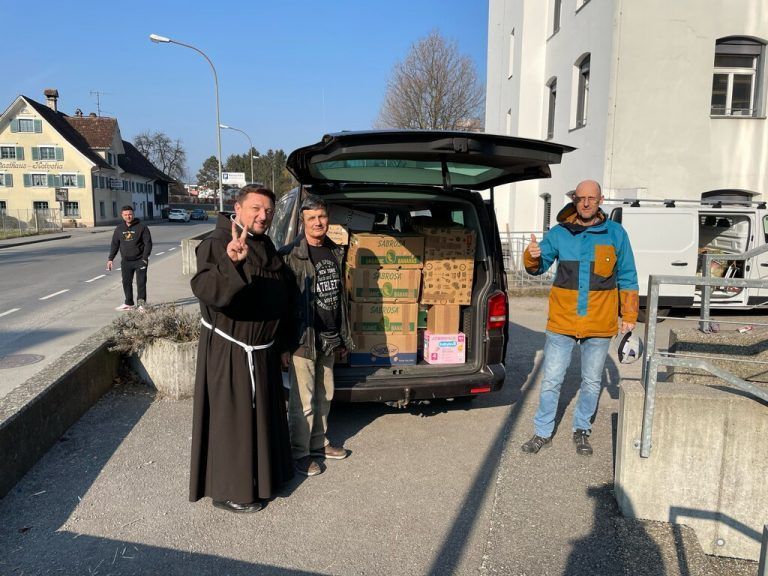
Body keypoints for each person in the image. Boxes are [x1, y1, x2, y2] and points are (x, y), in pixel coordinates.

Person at [189, 186, 294, 513]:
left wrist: (284, 344)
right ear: (238, 208)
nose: (263, 215)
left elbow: (282, 296)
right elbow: (207, 290)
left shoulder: (266, 244)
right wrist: (230, 264)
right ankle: (230, 491)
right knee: (234, 422)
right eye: (256, 208)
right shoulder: (218, 244)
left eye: (269, 211)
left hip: (263, 349)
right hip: (233, 351)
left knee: (261, 417)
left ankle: (263, 479)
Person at [521, 180, 638, 456]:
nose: (586, 203)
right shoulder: (560, 233)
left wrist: (629, 314)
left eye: (592, 198)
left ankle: (581, 428)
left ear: (601, 200)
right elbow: (538, 268)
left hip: (599, 324)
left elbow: (628, 276)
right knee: (551, 380)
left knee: (591, 382)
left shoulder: (616, 234)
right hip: (562, 322)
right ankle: (542, 431)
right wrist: (532, 256)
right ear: (574, 199)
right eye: (581, 198)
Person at [279, 195, 354, 477]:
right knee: (304, 400)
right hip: (302, 339)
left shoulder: (335, 251)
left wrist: (343, 338)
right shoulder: (290, 255)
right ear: (303, 222)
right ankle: (299, 452)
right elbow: (283, 304)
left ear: (328, 218)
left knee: (325, 394)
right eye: (312, 218)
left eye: (322, 217)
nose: (318, 222)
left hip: (330, 336)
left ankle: (319, 444)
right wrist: (284, 345)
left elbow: (341, 299)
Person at [107, 206, 152, 311]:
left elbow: (148, 243)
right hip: (126, 261)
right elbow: (114, 244)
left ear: (133, 214)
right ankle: (129, 303)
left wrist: (145, 258)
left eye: (130, 214)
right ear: (122, 216)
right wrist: (110, 259)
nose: (128, 216)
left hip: (140, 260)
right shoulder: (119, 229)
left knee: (141, 282)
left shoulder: (142, 227)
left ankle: (141, 304)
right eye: (126, 215)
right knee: (126, 282)